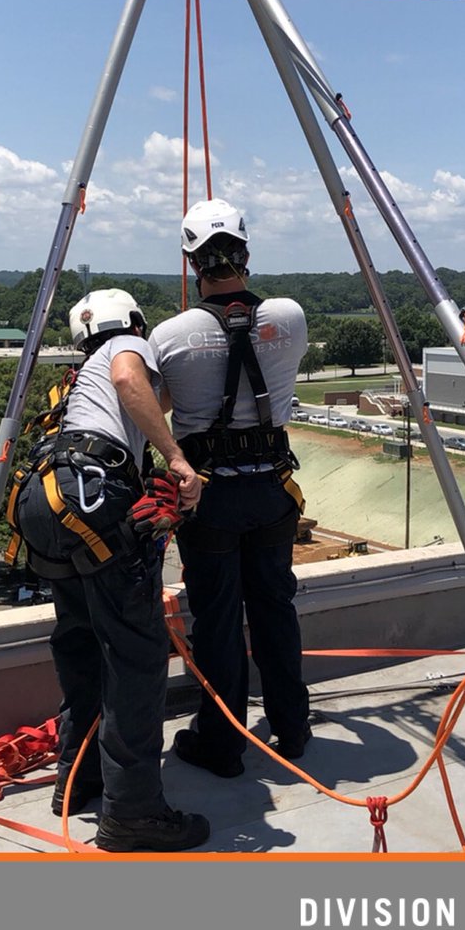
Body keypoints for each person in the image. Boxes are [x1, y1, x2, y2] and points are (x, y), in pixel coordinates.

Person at [10, 288, 209, 852]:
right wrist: (176, 457)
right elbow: (131, 381)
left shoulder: (77, 382)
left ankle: (78, 781)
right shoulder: (125, 347)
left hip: (51, 503)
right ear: (135, 325)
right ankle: (135, 813)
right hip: (94, 494)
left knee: (79, 640)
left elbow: (137, 397)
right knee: (137, 657)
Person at [149, 199, 311, 778]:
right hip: (271, 491)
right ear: (245, 252)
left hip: (208, 499)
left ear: (192, 261)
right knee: (275, 607)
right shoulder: (290, 317)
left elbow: (161, 402)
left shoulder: (172, 334)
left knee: (217, 620)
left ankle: (222, 742)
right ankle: (292, 728)